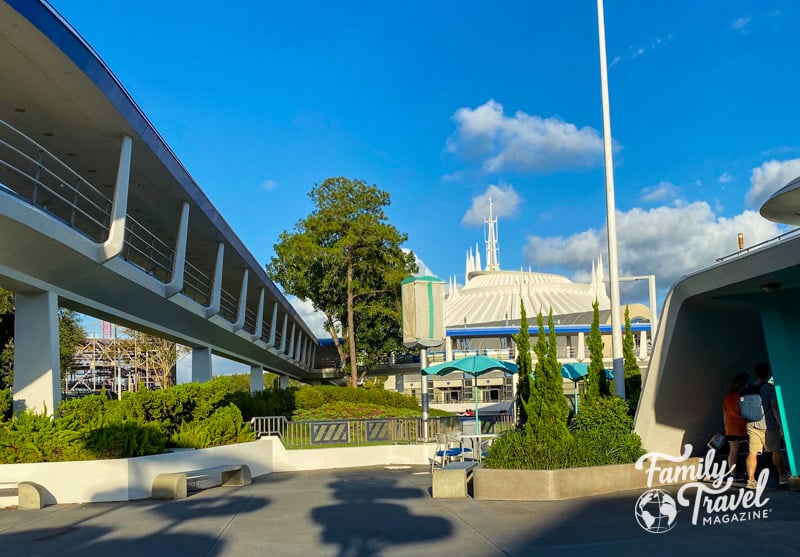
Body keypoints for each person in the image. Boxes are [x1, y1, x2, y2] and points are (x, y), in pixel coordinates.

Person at [745, 362, 788, 489]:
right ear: (767, 373)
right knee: (775, 450)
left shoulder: (748, 387)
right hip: (769, 424)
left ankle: (751, 481)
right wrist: (780, 424)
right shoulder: (769, 388)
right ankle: (782, 476)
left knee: (752, 452)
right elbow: (774, 407)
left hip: (752, 423)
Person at [722, 373, 748, 480]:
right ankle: (748, 472)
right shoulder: (741, 398)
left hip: (730, 428)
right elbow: (745, 413)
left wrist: (725, 427)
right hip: (741, 427)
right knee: (751, 450)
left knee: (732, 452)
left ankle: (733, 474)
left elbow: (724, 414)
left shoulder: (727, 398)